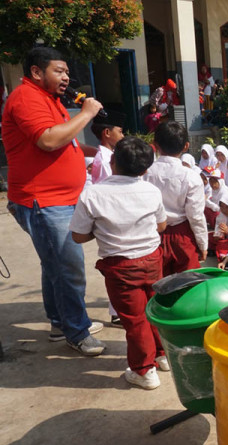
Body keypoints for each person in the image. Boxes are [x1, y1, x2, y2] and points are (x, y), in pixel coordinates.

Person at [3, 46, 105, 355]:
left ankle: (61, 323)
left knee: (54, 264)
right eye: (58, 71)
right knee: (68, 267)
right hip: (43, 201)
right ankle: (77, 331)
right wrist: (87, 113)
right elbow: (48, 140)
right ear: (37, 72)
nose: (66, 77)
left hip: (60, 199)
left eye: (67, 72)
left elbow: (65, 139)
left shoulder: (49, 100)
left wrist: (99, 152)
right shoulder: (25, 98)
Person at [69, 136, 168, 388]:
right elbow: (162, 225)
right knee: (155, 309)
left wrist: (101, 231)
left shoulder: (92, 194)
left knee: (135, 320)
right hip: (152, 259)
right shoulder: (151, 190)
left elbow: (78, 236)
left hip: (121, 265)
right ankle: (162, 354)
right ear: (146, 169)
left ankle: (145, 370)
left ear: (112, 161)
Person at [143, 121, 208, 275]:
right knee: (187, 286)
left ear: (155, 144)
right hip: (182, 236)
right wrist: (203, 243)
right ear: (186, 146)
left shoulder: (144, 172)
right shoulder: (191, 176)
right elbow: (196, 216)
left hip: (152, 234)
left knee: (159, 283)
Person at [90, 111, 126, 184]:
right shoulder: (104, 162)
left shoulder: (110, 156)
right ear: (107, 133)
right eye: (120, 132)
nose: (122, 136)